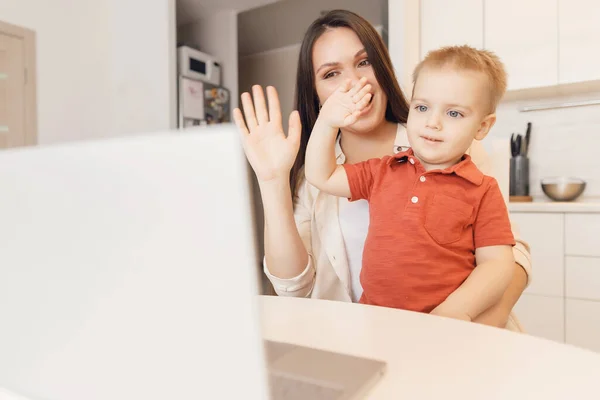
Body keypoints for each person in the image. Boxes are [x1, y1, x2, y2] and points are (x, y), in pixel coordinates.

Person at [233, 10, 531, 330]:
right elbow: (291, 288)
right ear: (316, 94)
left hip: (459, 337)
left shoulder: (450, 147)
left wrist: (465, 320)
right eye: (331, 74)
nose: (354, 83)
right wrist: (273, 178)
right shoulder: (340, 173)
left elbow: (509, 256)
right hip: (366, 339)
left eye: (364, 62)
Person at [304, 45, 515, 322]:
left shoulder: (482, 189)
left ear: (482, 127)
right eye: (422, 107)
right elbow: (322, 176)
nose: (433, 123)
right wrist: (327, 122)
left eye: (454, 114)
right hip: (374, 324)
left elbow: (497, 264)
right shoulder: (383, 170)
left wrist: (457, 311)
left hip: (442, 330)